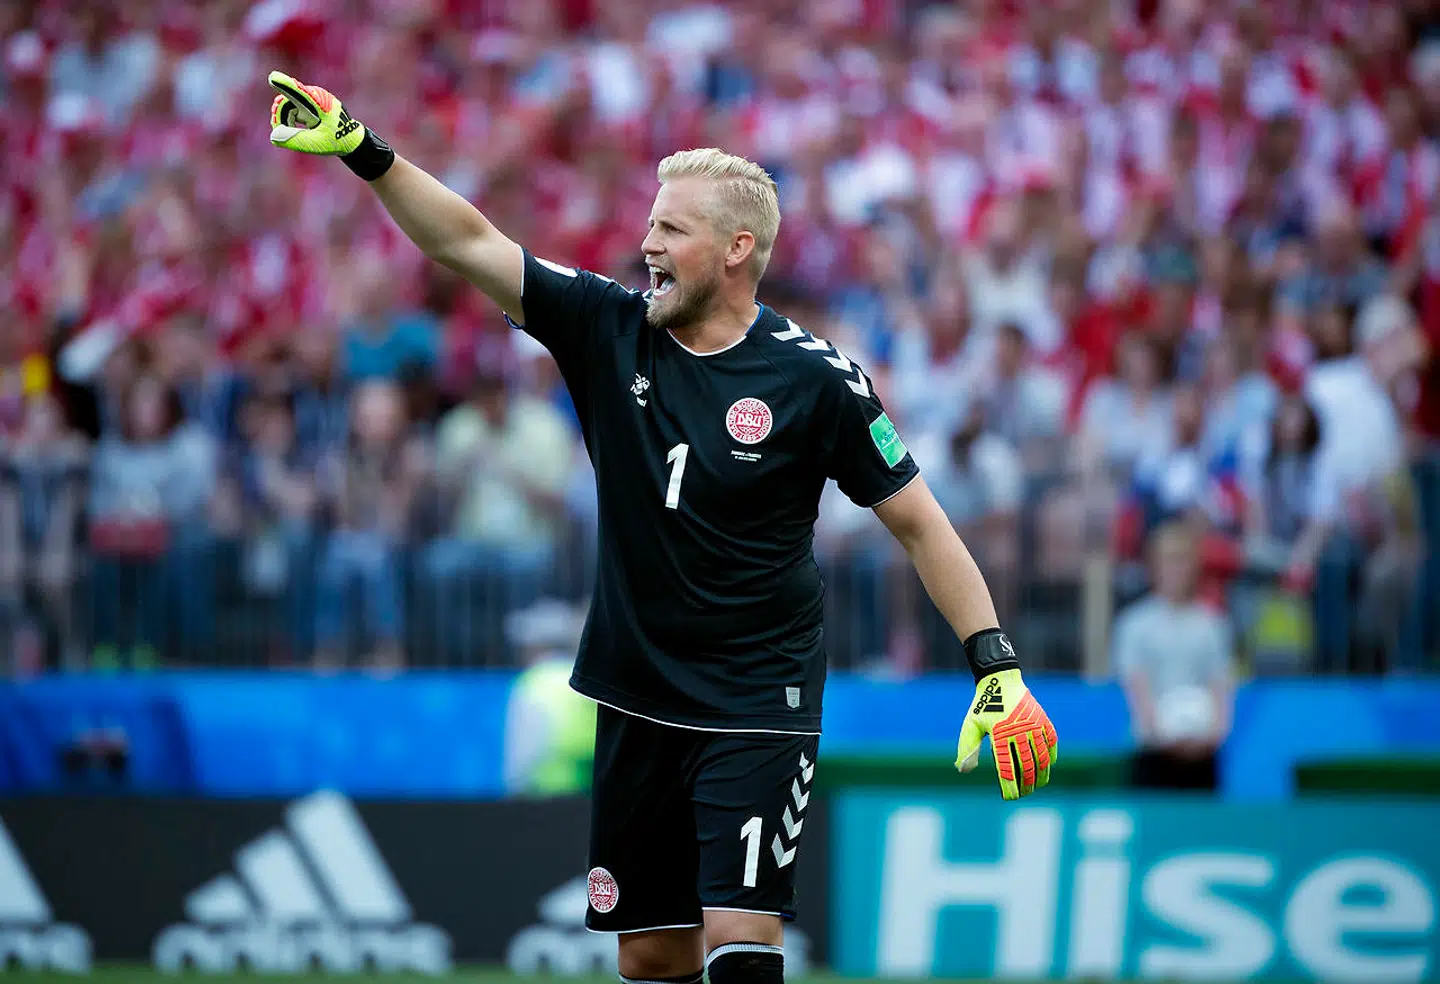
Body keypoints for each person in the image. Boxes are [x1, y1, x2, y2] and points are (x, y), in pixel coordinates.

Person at [265, 71, 1058, 984]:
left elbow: (920, 522)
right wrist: (366, 151)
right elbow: (469, 244)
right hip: (638, 691)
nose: (647, 245)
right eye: (650, 223)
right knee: (649, 951)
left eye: (671, 230)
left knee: (741, 933)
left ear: (736, 248)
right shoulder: (609, 329)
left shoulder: (818, 381)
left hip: (759, 696)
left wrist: (994, 663)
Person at [1114, 522, 1236, 792]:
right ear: (1153, 566)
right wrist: (1163, 735)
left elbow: (1221, 687)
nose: (1176, 569)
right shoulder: (1135, 624)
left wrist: (1212, 735)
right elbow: (1137, 687)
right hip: (1153, 756)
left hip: (1202, 757)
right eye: (1169, 560)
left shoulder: (1212, 625)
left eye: (1182, 560)